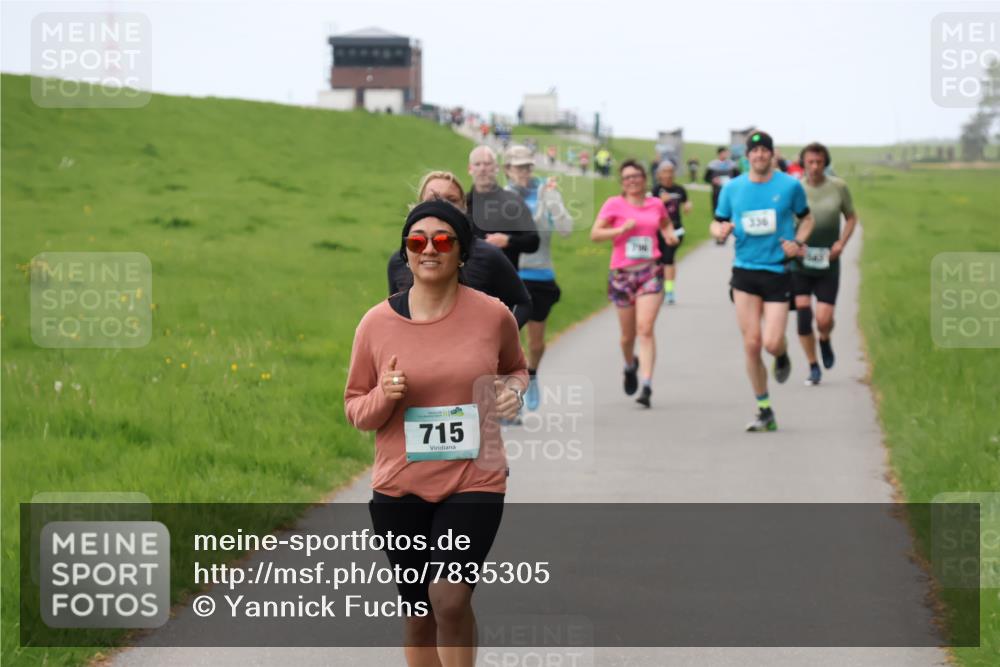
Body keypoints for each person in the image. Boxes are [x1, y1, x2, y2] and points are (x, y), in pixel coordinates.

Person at [345, 199, 528, 667]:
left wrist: (511, 392)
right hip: (400, 483)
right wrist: (385, 395)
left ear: (462, 252)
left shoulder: (492, 315)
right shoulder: (375, 323)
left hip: (475, 479)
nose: (430, 248)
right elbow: (356, 410)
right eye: (417, 240)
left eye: (443, 240)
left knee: (448, 598)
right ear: (405, 252)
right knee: (418, 612)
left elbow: (515, 369)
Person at [709, 131, 814, 432]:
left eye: (764, 151)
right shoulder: (733, 188)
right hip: (744, 272)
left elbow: (807, 219)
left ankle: (781, 354)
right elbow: (718, 220)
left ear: (772, 154)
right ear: (747, 156)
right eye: (753, 152)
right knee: (752, 344)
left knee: (770, 343)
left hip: (778, 271)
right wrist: (719, 231)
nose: (759, 156)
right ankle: (764, 408)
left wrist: (798, 242)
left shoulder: (790, 186)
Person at [387, 170, 533, 328]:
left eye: (451, 200)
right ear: (418, 206)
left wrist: (496, 340)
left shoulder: (488, 255)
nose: (442, 205)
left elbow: (522, 303)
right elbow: (396, 315)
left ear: (464, 208)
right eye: (432, 199)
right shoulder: (399, 261)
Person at [591, 159, 671, 408]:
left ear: (645, 178)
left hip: (650, 271)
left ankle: (646, 385)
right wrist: (619, 230)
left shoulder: (656, 204)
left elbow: (666, 223)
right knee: (628, 336)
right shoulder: (614, 204)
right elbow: (595, 234)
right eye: (627, 177)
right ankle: (629, 365)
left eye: (636, 176)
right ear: (622, 183)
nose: (632, 180)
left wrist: (669, 235)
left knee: (645, 328)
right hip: (622, 275)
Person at [504, 145, 574, 411]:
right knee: (507, 339)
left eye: (528, 166)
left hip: (541, 275)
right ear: (507, 170)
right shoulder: (501, 198)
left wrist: (553, 202)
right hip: (510, 275)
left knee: (535, 342)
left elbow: (566, 230)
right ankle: (512, 392)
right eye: (518, 166)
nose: (524, 171)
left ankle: (531, 374)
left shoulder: (547, 190)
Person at [793, 142, 858, 385]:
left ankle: (825, 339)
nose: (815, 167)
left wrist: (841, 243)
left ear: (825, 163)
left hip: (828, 262)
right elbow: (786, 223)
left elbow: (851, 217)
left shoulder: (838, 187)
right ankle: (813, 366)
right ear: (803, 163)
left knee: (823, 319)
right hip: (800, 263)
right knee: (802, 317)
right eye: (810, 162)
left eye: (819, 162)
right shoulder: (795, 189)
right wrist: (795, 245)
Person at [466, 146, 540, 270]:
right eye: (477, 164)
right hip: (469, 280)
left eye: (487, 164)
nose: (482, 169)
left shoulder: (513, 201)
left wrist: (508, 240)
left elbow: (533, 241)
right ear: (470, 169)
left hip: (504, 280)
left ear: (496, 168)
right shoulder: (463, 203)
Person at [650, 161, 691, 305]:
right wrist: (660, 201)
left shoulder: (679, 189)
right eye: (665, 171)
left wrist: (687, 206)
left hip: (676, 230)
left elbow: (686, 202)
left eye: (670, 171)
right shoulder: (655, 190)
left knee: (668, 259)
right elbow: (648, 210)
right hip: (657, 231)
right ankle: (658, 285)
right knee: (657, 261)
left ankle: (669, 291)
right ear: (659, 174)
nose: (668, 174)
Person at [704, 146, 741, 245]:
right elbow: (706, 178)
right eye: (724, 153)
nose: (725, 155)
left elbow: (739, 178)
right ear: (719, 154)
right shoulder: (712, 166)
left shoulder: (732, 165)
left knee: (729, 214)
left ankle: (727, 234)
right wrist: (713, 180)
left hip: (730, 194)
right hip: (717, 193)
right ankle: (719, 236)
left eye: (726, 153)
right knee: (718, 214)